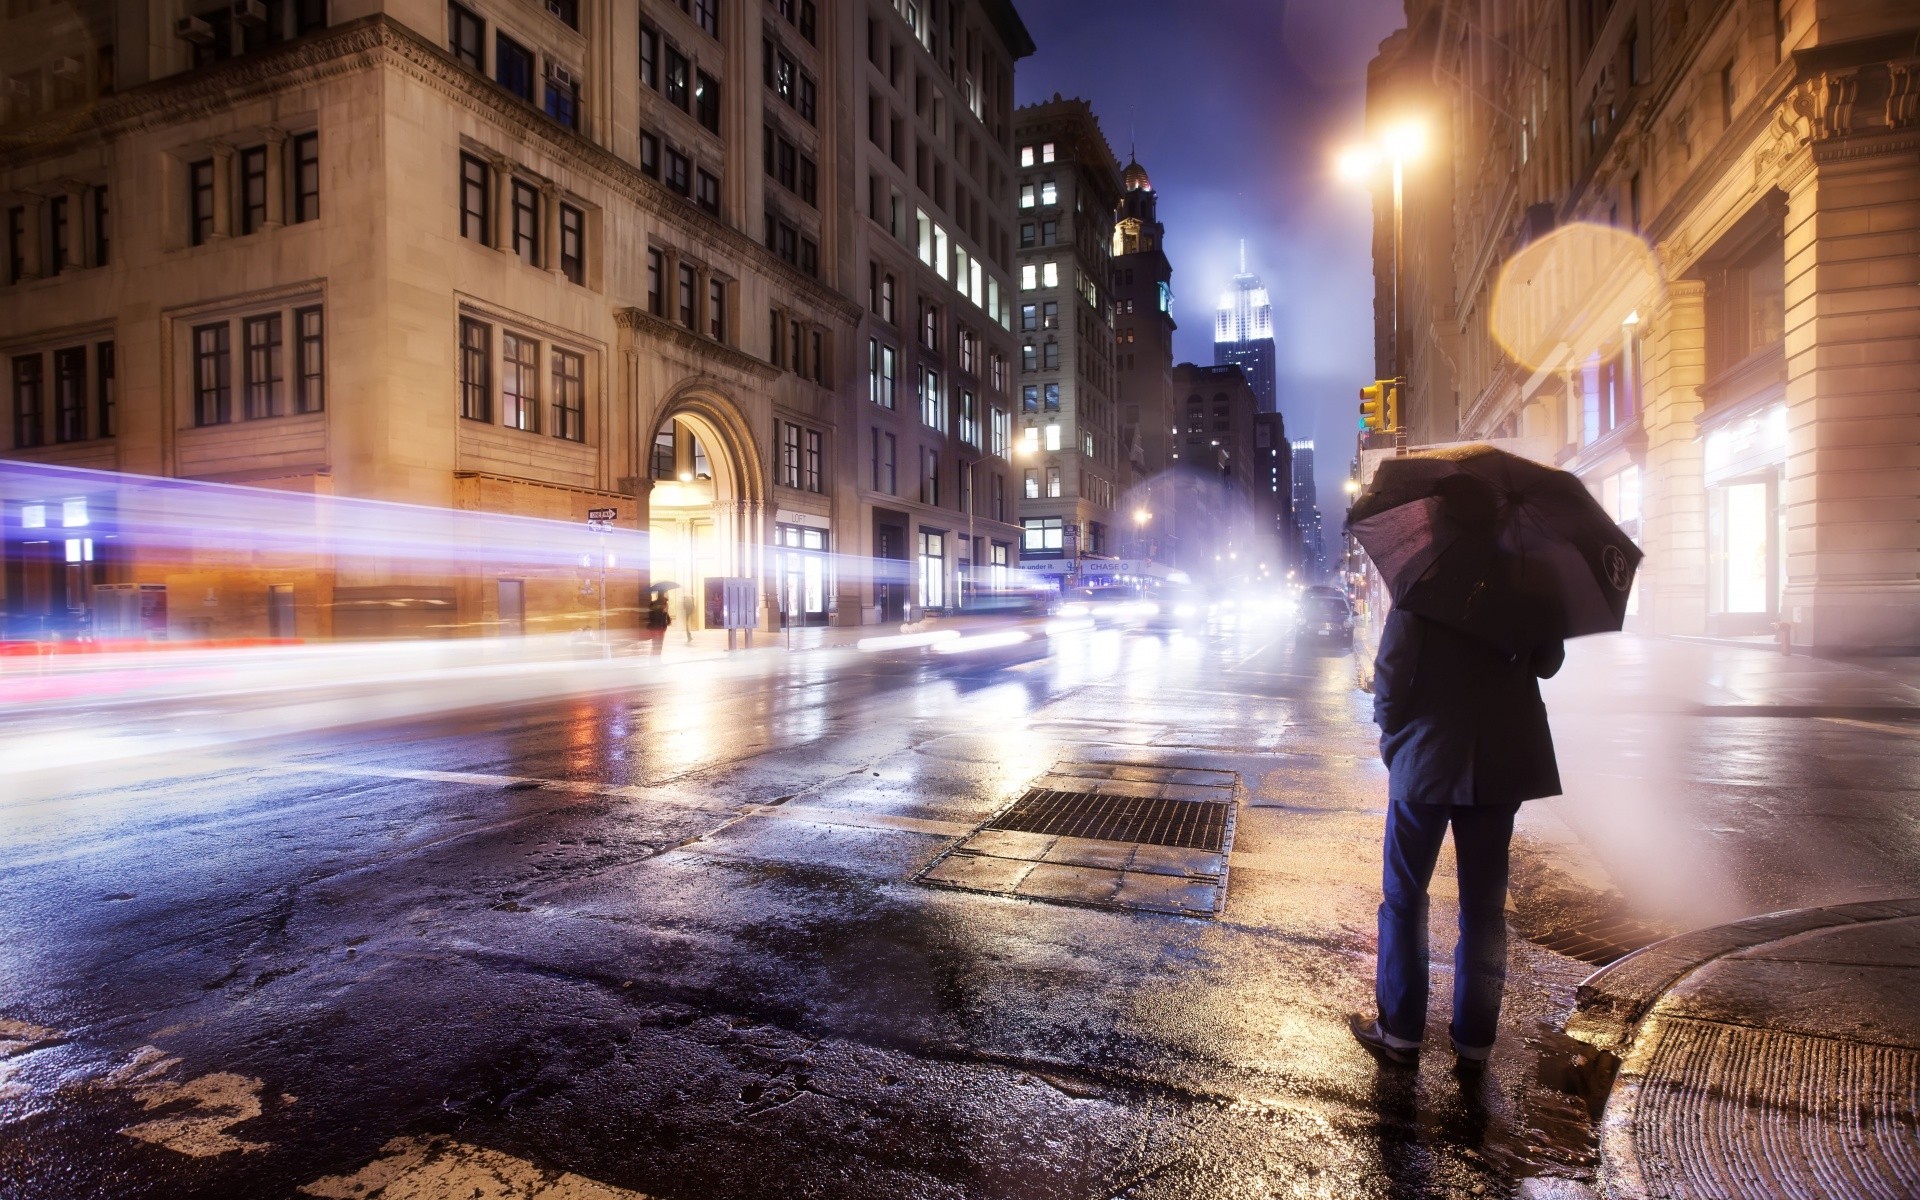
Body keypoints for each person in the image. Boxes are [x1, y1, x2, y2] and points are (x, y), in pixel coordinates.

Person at [1349, 606, 1565, 1074]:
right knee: (1484, 909)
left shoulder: (1426, 578)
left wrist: (1391, 731)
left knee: (1404, 896)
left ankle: (1401, 1032)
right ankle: (1474, 1042)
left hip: (1426, 753)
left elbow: (1392, 670)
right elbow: (1548, 662)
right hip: (1499, 757)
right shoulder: (1526, 581)